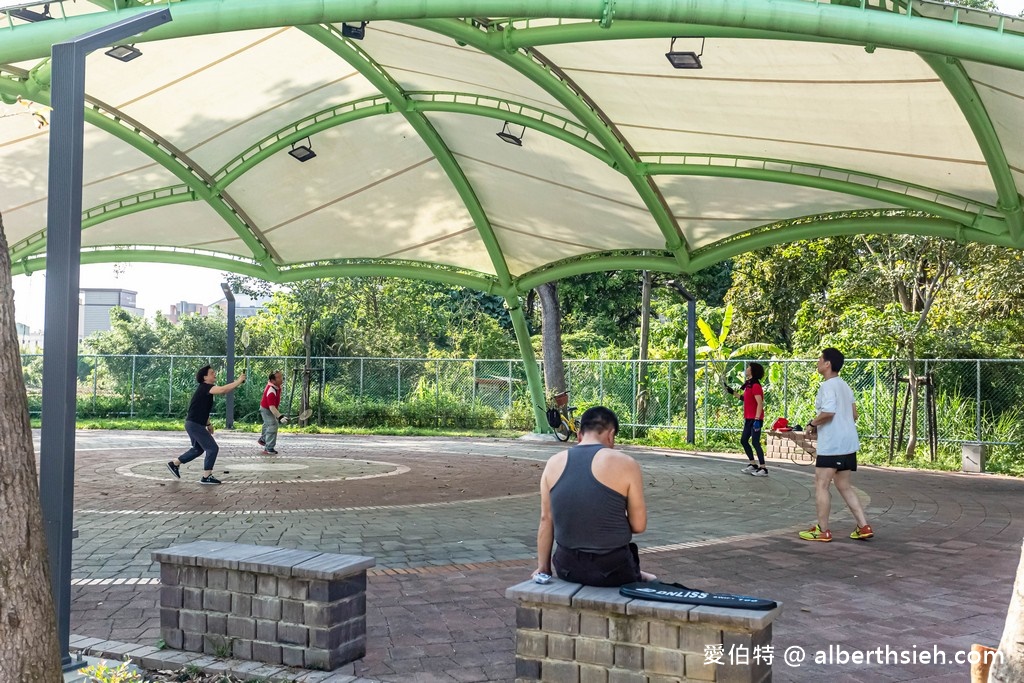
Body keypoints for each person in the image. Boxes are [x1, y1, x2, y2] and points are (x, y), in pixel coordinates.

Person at [534, 406, 656, 587]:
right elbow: (638, 526)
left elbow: (546, 520)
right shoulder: (626, 463)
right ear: (611, 434)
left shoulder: (553, 463)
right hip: (614, 569)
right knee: (652, 580)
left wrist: (543, 568)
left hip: (567, 568)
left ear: (579, 435)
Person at [799, 348, 874, 542]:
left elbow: (828, 412)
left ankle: (822, 530)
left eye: (820, 359)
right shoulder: (844, 385)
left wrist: (812, 424)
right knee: (844, 486)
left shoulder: (827, 386)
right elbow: (854, 414)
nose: (817, 362)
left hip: (832, 446)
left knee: (821, 485)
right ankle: (863, 526)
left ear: (827, 364)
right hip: (848, 444)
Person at [166, 365, 245, 485]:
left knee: (198, 449)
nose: (215, 374)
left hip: (193, 424)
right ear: (205, 377)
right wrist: (238, 381)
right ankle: (206, 476)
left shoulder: (204, 389)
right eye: (212, 373)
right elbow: (223, 390)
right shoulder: (206, 387)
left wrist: (208, 424)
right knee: (212, 448)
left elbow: (202, 409)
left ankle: (175, 463)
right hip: (194, 424)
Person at [726, 363, 767, 476]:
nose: (747, 369)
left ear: (753, 371)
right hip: (748, 418)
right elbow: (745, 399)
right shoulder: (749, 385)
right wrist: (732, 392)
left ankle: (763, 468)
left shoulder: (755, 386)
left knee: (755, 442)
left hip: (755, 419)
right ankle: (753, 464)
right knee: (744, 440)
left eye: (749, 367)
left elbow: (759, 403)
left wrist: (757, 419)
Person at [259, 370, 288, 455]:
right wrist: (280, 417)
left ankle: (263, 439)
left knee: (267, 424)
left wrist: (279, 416)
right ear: (272, 380)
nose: (281, 379)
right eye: (279, 378)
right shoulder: (271, 390)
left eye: (281, 377)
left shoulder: (276, 386)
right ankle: (269, 448)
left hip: (268, 408)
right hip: (266, 409)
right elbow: (271, 407)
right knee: (273, 424)